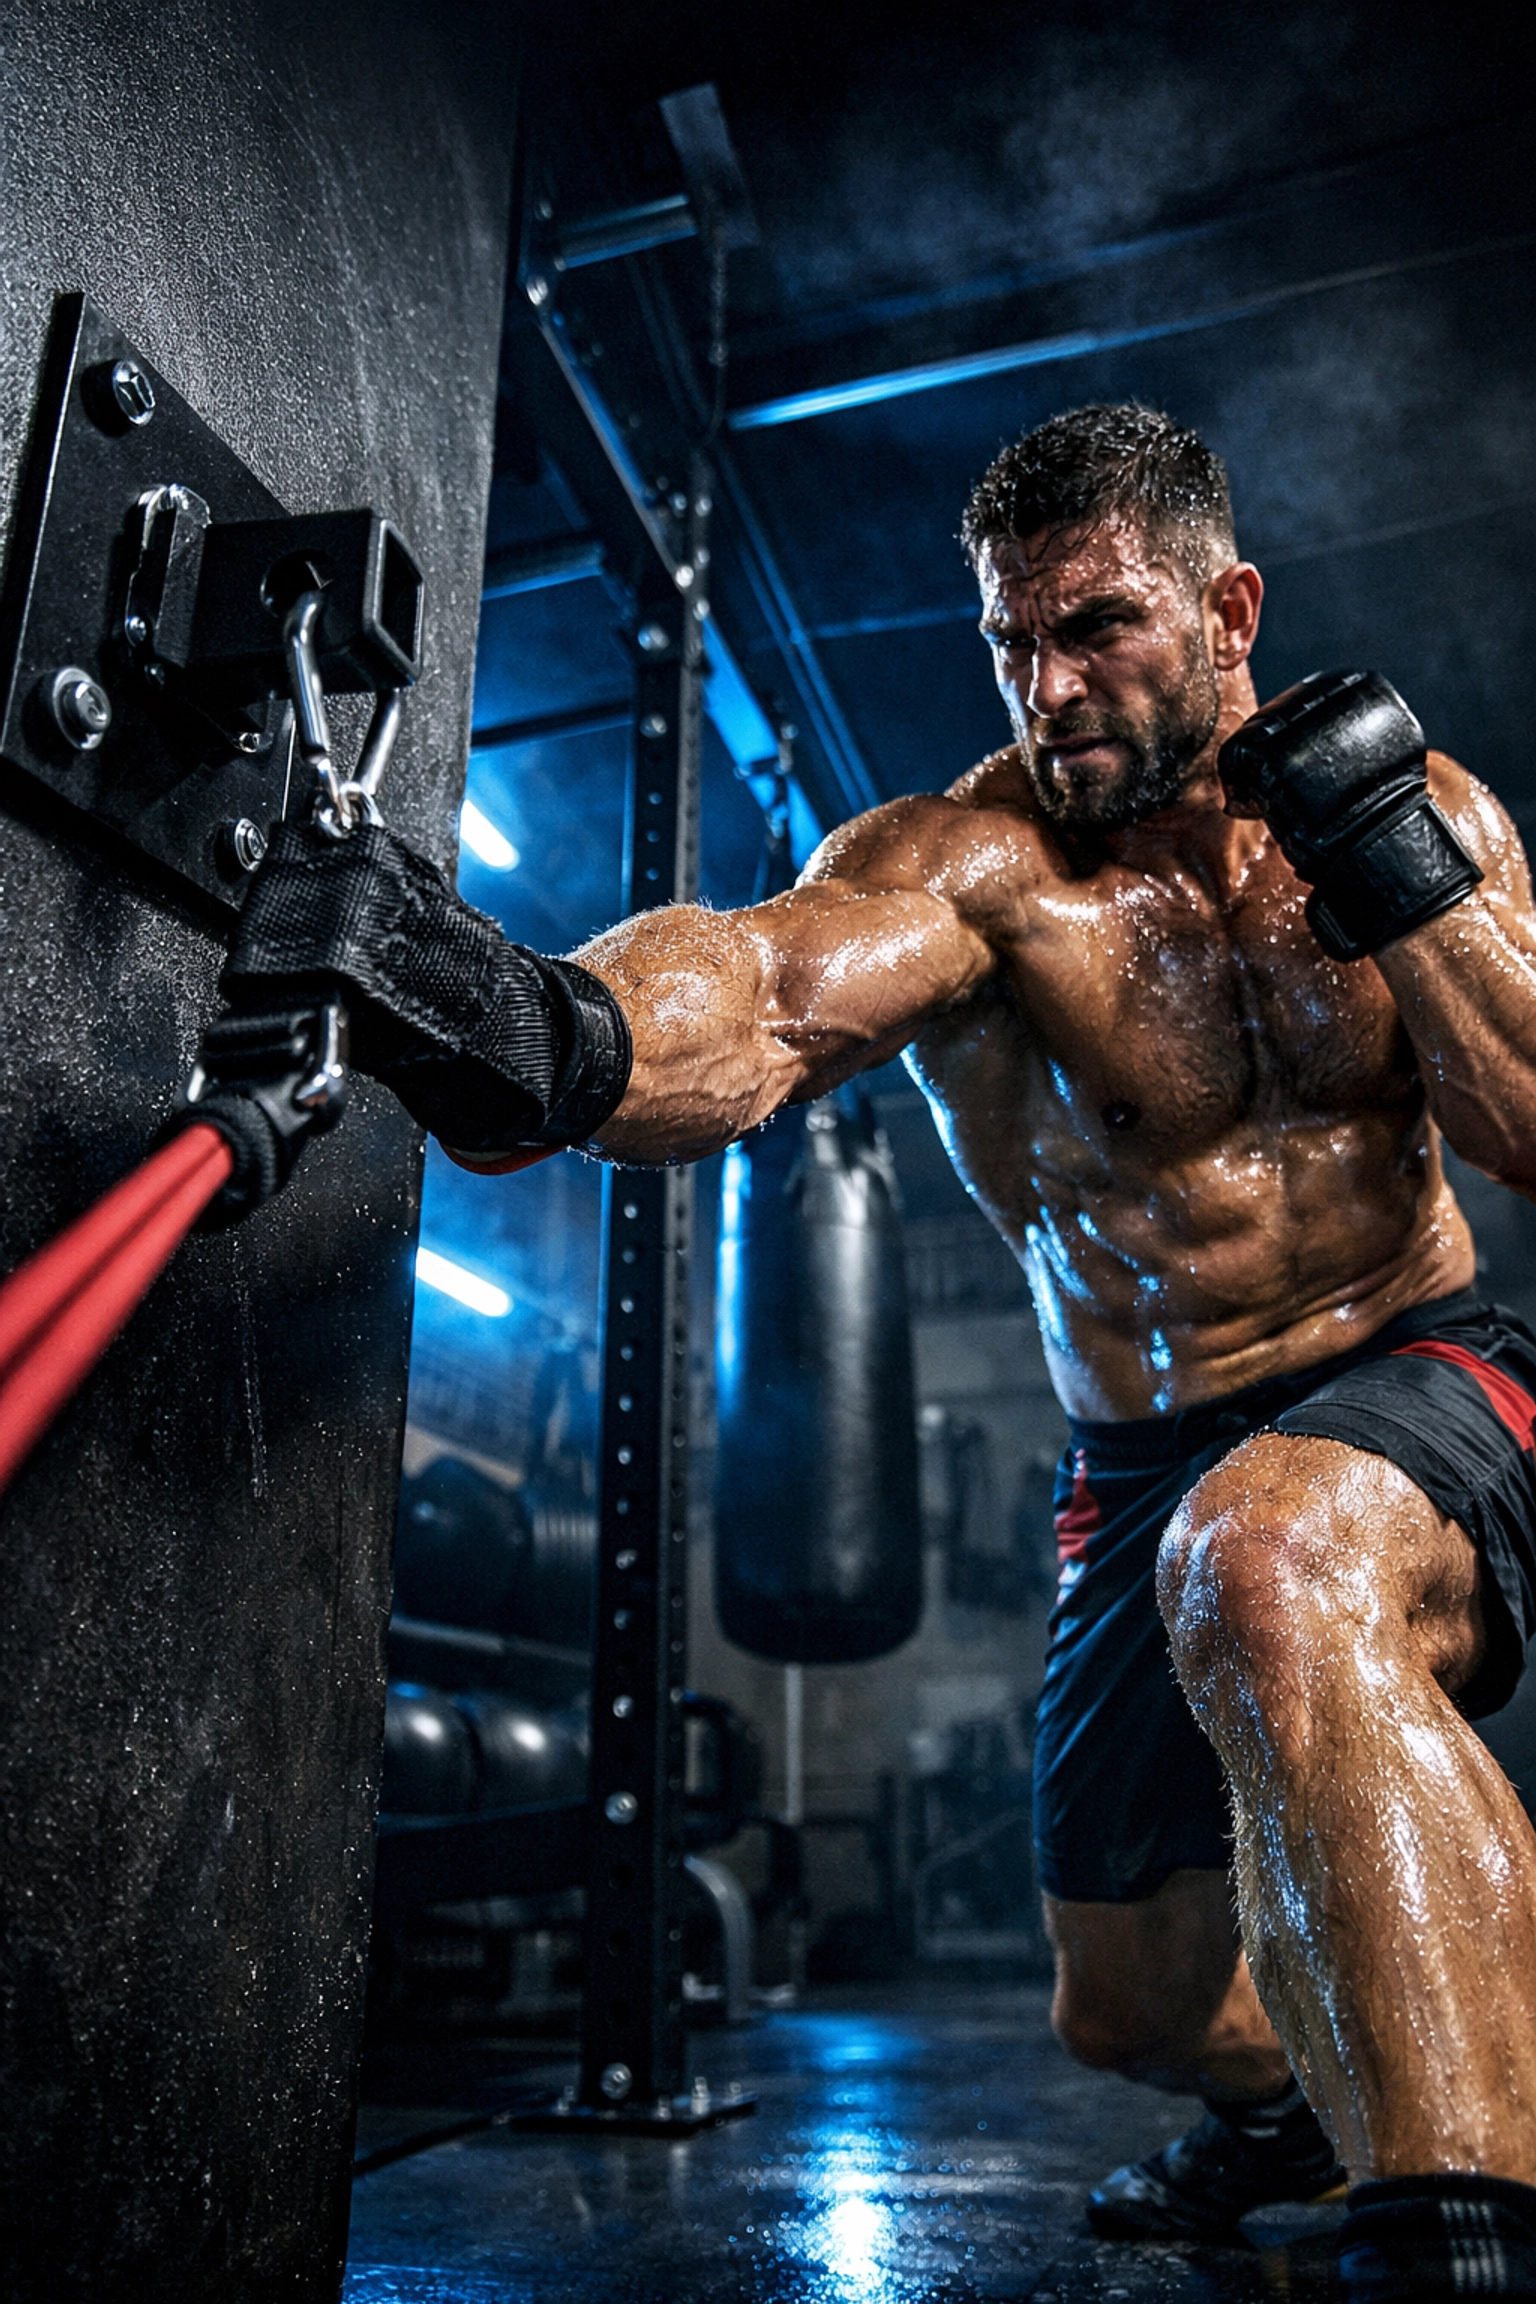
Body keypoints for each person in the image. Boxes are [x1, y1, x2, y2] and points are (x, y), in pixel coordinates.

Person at [228, 404, 1536, 2298]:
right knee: (1131, 2008)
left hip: (1419, 1370)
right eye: (1013, 637)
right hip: (1140, 1454)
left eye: (1100, 628)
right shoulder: (974, 865)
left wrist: (1402, 872)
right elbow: (757, 993)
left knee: (1272, 1559)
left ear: (1231, 606)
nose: (1049, 684)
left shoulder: (1420, 808)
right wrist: (542, 1026)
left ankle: (1457, 2225)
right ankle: (1294, 2112)